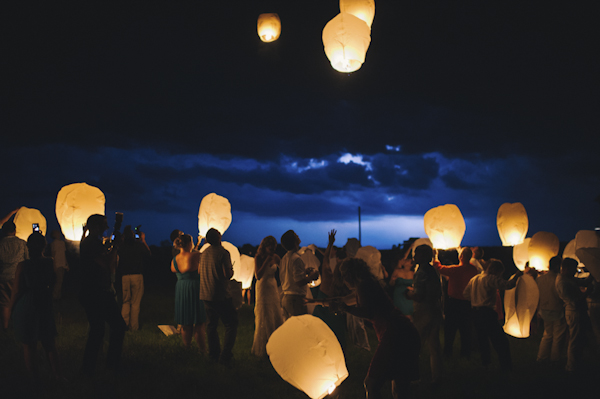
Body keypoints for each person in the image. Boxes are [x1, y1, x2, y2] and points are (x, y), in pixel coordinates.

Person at [317, 257, 420, 399]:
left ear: (351, 274)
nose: (343, 278)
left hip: (393, 333)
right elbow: (345, 300)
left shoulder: (363, 286)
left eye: (344, 274)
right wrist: (316, 301)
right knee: (400, 385)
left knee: (372, 383)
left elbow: (367, 312)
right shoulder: (366, 284)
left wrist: (346, 308)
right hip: (401, 329)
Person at [9, 232, 64, 383]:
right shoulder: (49, 262)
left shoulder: (23, 265)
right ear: (44, 246)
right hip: (44, 303)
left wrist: (10, 309)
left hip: (27, 304)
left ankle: (34, 379)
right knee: (49, 342)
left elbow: (17, 290)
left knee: (29, 344)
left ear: (27, 247)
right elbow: (53, 281)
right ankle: (58, 375)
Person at [79, 214, 127, 376]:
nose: (106, 228)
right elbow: (107, 263)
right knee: (110, 328)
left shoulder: (90, 242)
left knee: (101, 329)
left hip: (94, 291)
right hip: (96, 292)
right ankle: (103, 366)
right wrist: (116, 248)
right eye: (104, 224)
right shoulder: (92, 243)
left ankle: (92, 368)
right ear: (98, 226)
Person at [463, 259, 522, 371]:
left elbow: (466, 293)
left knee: (482, 339)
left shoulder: (474, 279)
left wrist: (475, 300)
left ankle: (486, 364)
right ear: (495, 270)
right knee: (500, 341)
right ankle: (506, 366)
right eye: (500, 273)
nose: (500, 275)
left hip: (475, 312)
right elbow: (508, 285)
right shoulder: (491, 279)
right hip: (487, 312)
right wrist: (517, 276)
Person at [199, 228, 238, 365]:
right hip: (220, 294)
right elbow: (227, 274)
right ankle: (225, 355)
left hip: (205, 293)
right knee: (231, 324)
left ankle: (213, 354)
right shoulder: (223, 253)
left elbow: (200, 271)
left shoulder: (203, 253)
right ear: (219, 238)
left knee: (211, 325)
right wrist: (231, 270)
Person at [406, 244, 443, 385]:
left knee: (415, 345)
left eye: (416, 254)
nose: (414, 257)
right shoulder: (433, 271)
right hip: (435, 310)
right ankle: (437, 377)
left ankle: (413, 377)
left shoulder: (421, 272)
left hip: (424, 311)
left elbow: (420, 296)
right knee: (434, 347)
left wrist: (409, 294)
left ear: (423, 256)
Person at [434, 247, 479, 358]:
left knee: (450, 329)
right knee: (466, 330)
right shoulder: (474, 270)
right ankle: (465, 353)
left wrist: (435, 255)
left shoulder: (455, 269)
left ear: (461, 257)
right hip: (468, 304)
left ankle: (448, 353)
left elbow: (438, 267)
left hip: (454, 304)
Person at [171, 234, 207, 351]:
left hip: (181, 288)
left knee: (185, 322)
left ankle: (187, 348)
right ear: (189, 243)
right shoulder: (196, 255)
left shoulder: (174, 260)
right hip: (194, 288)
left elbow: (173, 270)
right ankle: (202, 350)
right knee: (198, 322)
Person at [251, 235, 283, 357]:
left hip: (273, 287)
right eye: (270, 248)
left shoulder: (276, 257)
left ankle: (277, 345)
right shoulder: (258, 257)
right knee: (265, 314)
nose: (273, 250)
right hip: (262, 287)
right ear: (265, 247)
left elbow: (283, 268)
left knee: (275, 313)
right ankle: (263, 348)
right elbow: (258, 276)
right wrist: (265, 262)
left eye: (274, 248)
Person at [279, 230, 319, 319]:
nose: (298, 236)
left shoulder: (284, 258)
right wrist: (311, 277)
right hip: (295, 300)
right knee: (299, 327)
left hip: (286, 297)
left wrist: (304, 271)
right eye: (296, 235)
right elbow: (299, 282)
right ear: (294, 241)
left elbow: (289, 275)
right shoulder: (297, 259)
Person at [555, 257, 586, 373]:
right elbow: (574, 300)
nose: (575, 271)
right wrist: (586, 292)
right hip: (573, 312)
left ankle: (576, 362)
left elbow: (582, 282)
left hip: (574, 311)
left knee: (577, 339)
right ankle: (571, 366)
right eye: (574, 269)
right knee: (574, 340)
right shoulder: (562, 282)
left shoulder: (566, 278)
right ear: (566, 268)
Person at [118, 226, 151, 332]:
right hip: (137, 276)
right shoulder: (138, 245)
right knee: (135, 303)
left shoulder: (121, 246)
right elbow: (148, 254)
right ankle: (134, 327)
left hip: (124, 276)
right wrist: (143, 240)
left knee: (125, 302)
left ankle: (123, 326)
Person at [535, 256, 566, 363]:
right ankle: (555, 358)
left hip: (544, 309)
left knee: (547, 334)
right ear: (558, 266)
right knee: (558, 335)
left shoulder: (540, 279)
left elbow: (537, 295)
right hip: (557, 309)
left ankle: (542, 357)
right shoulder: (559, 279)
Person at [0, 220, 29, 330]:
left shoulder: (1, 244)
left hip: (3, 277)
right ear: (15, 231)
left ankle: (5, 327)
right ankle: (20, 326)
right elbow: (27, 259)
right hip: (18, 276)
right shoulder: (22, 243)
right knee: (19, 302)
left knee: (5, 303)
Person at [389, 251, 415, 320]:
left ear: (411, 264)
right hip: (398, 295)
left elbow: (417, 286)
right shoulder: (397, 271)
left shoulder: (413, 274)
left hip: (408, 296)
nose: (405, 261)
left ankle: (411, 329)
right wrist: (393, 280)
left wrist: (412, 289)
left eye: (407, 261)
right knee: (399, 315)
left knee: (408, 315)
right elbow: (391, 284)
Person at [49, 230, 69, 300]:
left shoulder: (62, 243)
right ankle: (55, 296)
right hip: (58, 264)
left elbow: (64, 254)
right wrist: (54, 265)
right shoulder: (54, 244)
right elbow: (53, 255)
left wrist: (66, 264)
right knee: (59, 280)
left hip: (62, 263)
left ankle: (58, 296)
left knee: (60, 280)